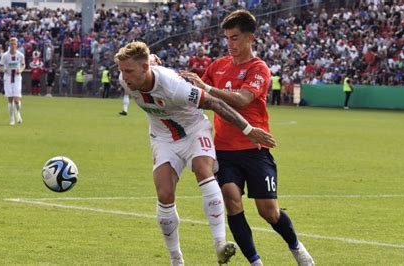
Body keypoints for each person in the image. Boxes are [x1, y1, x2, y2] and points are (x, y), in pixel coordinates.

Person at [114, 41, 276, 266]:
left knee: (203, 170)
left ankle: (220, 244)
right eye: (122, 71)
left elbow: (215, 104)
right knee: (164, 194)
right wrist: (147, 62)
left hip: (193, 131)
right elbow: (145, 66)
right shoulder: (127, 79)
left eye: (129, 71)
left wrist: (248, 129)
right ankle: (176, 259)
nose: (124, 76)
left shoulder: (174, 86)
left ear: (144, 68)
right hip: (163, 138)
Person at [181, 9, 314, 266]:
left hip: (255, 148)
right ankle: (255, 262)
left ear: (250, 38)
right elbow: (197, 96)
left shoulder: (259, 68)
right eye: (227, 38)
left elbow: (242, 99)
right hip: (224, 151)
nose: (230, 44)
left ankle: (297, 248)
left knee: (269, 212)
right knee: (231, 199)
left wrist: (207, 88)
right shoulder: (217, 66)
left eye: (235, 38)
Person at [0, 37, 25, 125]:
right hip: (8, 78)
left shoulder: (20, 55)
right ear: (9, 45)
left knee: (17, 100)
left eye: (14, 44)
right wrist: (4, 70)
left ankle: (18, 113)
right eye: (11, 44)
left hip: (17, 78)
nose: (13, 46)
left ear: (17, 45)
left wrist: (20, 70)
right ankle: (11, 118)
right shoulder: (5, 55)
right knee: (10, 99)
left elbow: (23, 65)